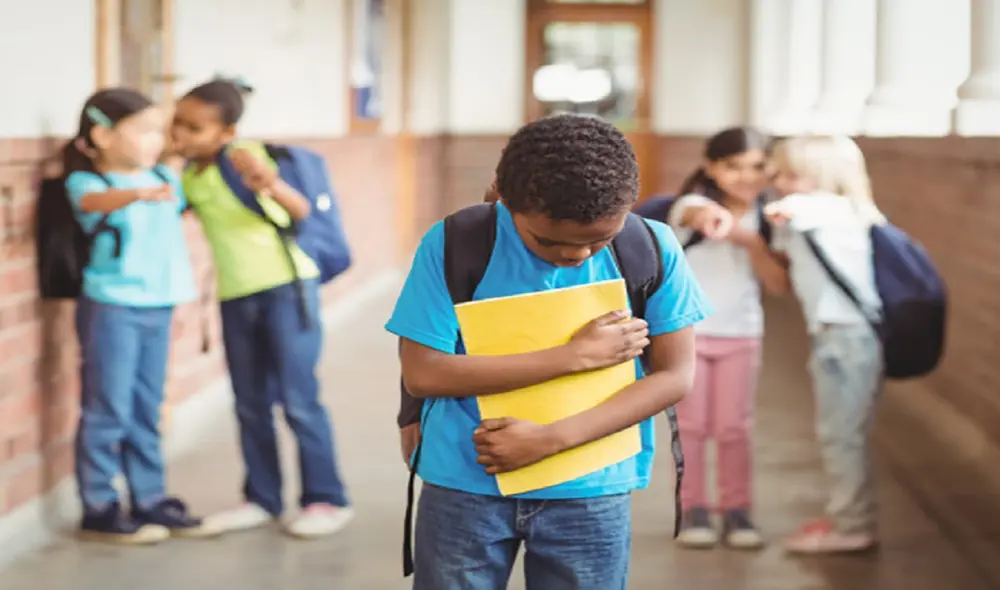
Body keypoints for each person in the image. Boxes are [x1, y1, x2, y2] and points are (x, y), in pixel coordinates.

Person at [386, 114, 712, 589]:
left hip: (591, 487)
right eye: (548, 240)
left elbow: (674, 376)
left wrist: (550, 439)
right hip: (467, 480)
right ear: (504, 197)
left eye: (600, 239)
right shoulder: (456, 243)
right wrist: (573, 357)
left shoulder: (651, 248)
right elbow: (424, 372)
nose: (577, 255)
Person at [170, 78, 352, 538]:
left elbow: (301, 211)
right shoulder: (192, 172)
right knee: (250, 403)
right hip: (236, 298)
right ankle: (262, 498)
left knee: (298, 399)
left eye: (194, 127)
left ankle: (326, 500)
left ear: (226, 130)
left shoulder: (243, 156)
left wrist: (268, 182)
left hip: (286, 290)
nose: (181, 135)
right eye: (177, 124)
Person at [65, 88, 208, 543]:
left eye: (157, 131)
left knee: (147, 408)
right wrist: (138, 193)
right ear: (103, 135)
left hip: (159, 308)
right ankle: (100, 505)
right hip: (112, 307)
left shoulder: (167, 176)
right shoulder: (89, 184)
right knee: (108, 407)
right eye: (143, 130)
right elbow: (93, 205)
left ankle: (148, 498)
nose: (154, 140)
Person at [640, 127, 789, 549]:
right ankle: (694, 509)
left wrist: (752, 241)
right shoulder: (690, 204)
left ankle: (738, 510)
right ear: (711, 167)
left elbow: (778, 284)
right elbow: (694, 212)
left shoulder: (772, 217)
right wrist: (711, 219)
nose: (746, 176)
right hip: (687, 336)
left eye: (758, 166)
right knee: (690, 426)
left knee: (734, 428)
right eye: (733, 166)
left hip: (741, 333)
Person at [764, 135, 885, 554]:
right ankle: (844, 513)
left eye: (789, 174)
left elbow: (796, 210)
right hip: (834, 336)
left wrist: (783, 208)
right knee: (838, 432)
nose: (778, 182)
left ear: (819, 177)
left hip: (846, 337)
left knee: (842, 435)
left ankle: (852, 526)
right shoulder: (824, 214)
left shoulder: (832, 209)